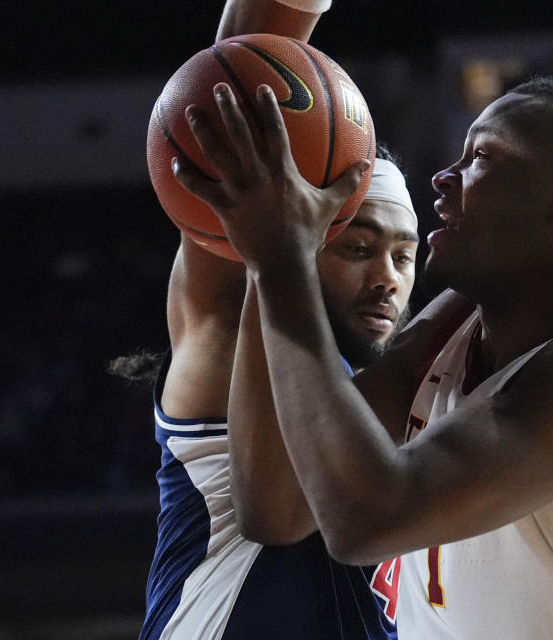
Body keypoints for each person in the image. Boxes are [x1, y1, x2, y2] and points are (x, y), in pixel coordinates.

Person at [172, 59, 553, 638]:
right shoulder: (457, 323)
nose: (444, 176)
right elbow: (278, 510)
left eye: (482, 157)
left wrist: (281, 255)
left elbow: (367, 520)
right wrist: (261, 258)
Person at [128, 2, 418, 638]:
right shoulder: (232, 333)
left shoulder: (411, 394)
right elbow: (226, 124)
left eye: (404, 254)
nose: (388, 276)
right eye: (360, 248)